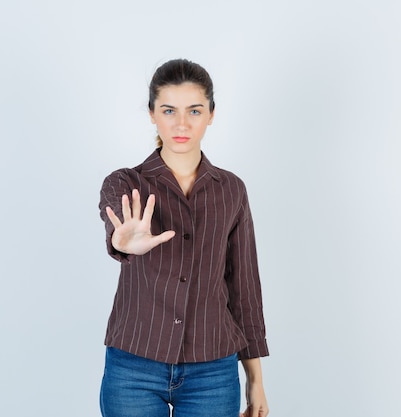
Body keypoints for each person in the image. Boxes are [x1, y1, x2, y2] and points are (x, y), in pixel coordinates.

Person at [98, 58, 269, 417]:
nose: (181, 123)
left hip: (214, 370)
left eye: (194, 110)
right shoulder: (125, 183)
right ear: (151, 114)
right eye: (168, 110)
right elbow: (115, 221)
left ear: (211, 113)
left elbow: (244, 289)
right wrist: (122, 241)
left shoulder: (232, 190)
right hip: (134, 366)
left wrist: (255, 380)